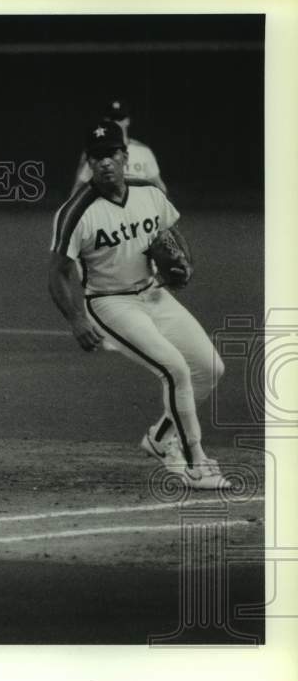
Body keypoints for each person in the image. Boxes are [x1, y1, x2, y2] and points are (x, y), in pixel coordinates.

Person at [48, 120, 228, 490]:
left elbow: (172, 235)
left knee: (210, 369)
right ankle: (196, 462)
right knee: (174, 369)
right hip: (110, 303)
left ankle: (160, 437)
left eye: (111, 154)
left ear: (124, 157)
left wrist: (184, 266)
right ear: (89, 163)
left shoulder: (149, 194)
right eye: (96, 157)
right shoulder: (76, 212)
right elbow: (58, 273)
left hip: (154, 294)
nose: (104, 164)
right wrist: (76, 318)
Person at [70, 99, 167, 195]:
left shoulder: (143, 151)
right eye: (112, 119)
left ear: (128, 121)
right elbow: (78, 187)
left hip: (140, 205)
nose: (116, 122)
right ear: (105, 121)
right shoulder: (96, 151)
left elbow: (159, 186)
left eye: (120, 118)